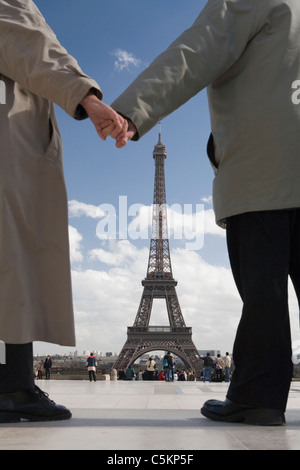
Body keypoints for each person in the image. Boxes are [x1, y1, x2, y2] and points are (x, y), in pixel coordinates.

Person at [107, 0, 300, 425]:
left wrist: (129, 110)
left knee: (264, 295)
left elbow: (198, 49)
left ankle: (258, 397)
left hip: (263, 173)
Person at [0, 0, 126, 423]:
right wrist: (87, 97)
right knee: (14, 258)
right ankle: (14, 385)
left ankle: (15, 382)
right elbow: (30, 44)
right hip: (10, 139)